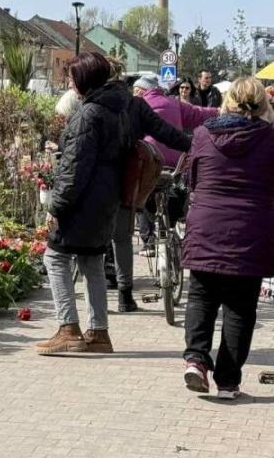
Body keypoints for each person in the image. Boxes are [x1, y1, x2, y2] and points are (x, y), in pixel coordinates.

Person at [181, 78, 274, 399]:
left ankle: (196, 360)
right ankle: (228, 382)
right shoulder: (270, 138)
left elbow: (192, 178)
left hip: (206, 226)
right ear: (263, 105)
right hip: (250, 232)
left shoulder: (203, 134)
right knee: (240, 308)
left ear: (227, 101)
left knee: (201, 298)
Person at [37, 52, 129, 355]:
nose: (69, 82)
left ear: (85, 79)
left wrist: (56, 206)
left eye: (72, 77)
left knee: (54, 258)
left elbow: (74, 168)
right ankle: (99, 332)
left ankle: (68, 329)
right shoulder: (117, 109)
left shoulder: (88, 114)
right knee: (91, 263)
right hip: (105, 200)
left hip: (83, 202)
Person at [107, 63, 191, 312]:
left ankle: (96, 302)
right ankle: (125, 297)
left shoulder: (89, 105)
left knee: (93, 241)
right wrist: (194, 146)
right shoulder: (135, 104)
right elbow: (165, 132)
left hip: (95, 180)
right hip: (127, 178)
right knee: (122, 238)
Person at [132, 75, 217, 252]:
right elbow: (198, 114)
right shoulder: (174, 103)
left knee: (143, 195)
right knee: (174, 190)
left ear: (141, 90)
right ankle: (171, 228)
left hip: (151, 159)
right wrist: (220, 111)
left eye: (135, 90)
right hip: (176, 160)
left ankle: (148, 241)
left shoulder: (139, 104)